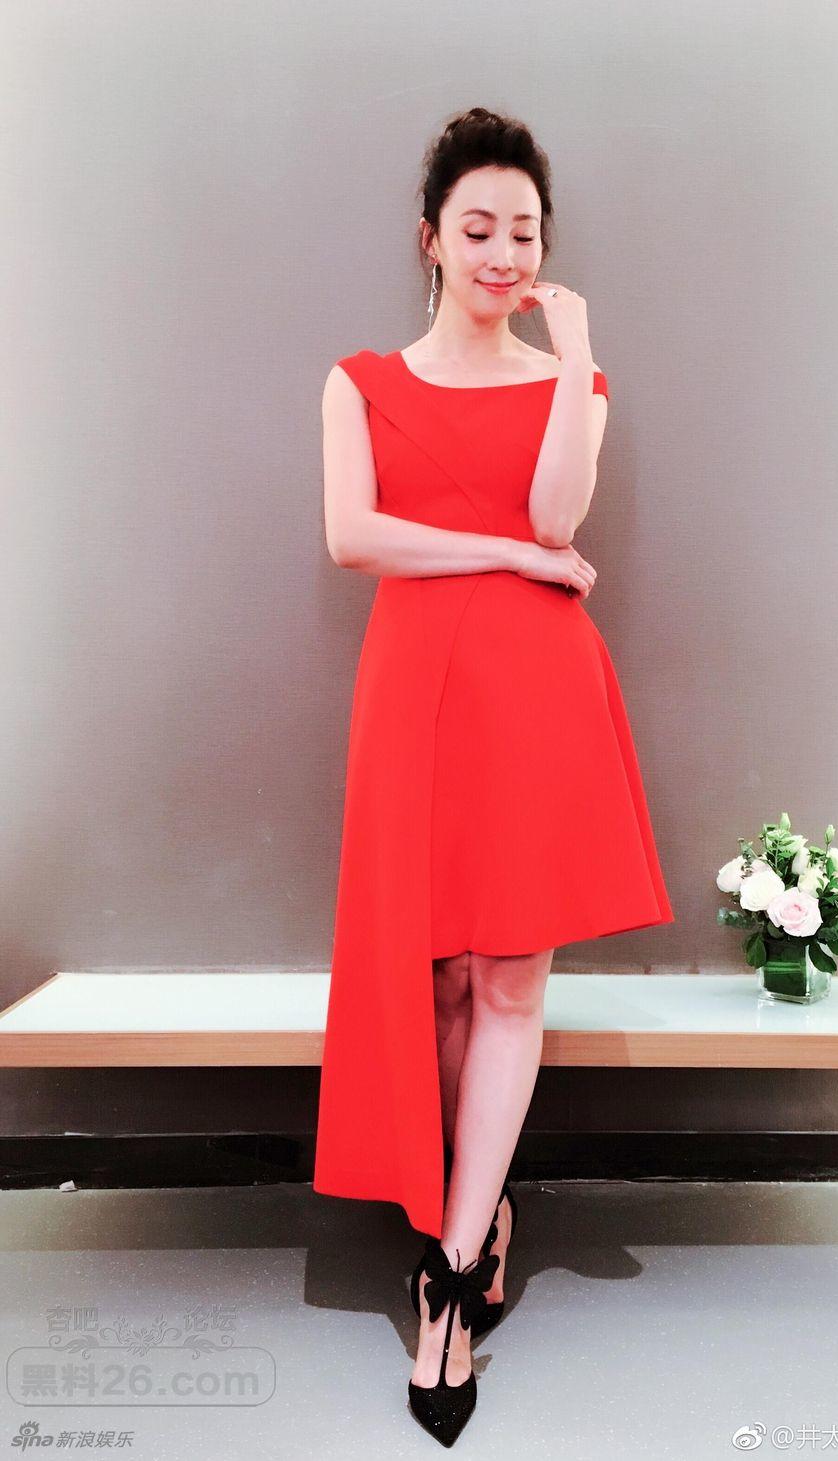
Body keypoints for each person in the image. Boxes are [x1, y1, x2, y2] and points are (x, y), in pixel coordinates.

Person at [313, 106, 674, 1445]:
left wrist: (576, 364)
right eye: (479, 228)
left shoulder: (571, 376)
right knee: (440, 983)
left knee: (512, 976)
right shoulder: (359, 381)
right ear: (431, 239)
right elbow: (353, 536)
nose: (504, 253)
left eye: (525, 231)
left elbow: (556, 516)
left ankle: (450, 1273)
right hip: (414, 697)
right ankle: (481, 1207)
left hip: (534, 699)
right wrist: (514, 561)